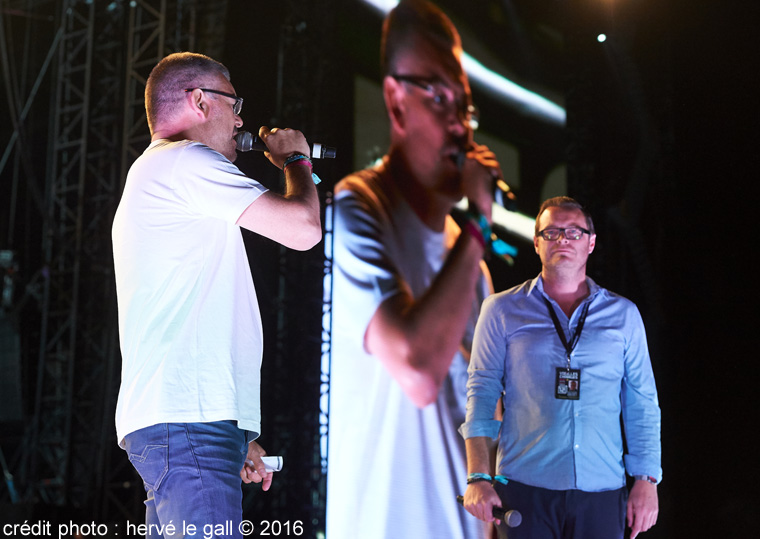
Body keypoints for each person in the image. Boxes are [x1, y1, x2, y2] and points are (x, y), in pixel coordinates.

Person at [112, 52, 321, 536]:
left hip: (188, 422)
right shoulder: (185, 162)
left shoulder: (162, 175)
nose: (242, 118)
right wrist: (296, 159)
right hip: (188, 424)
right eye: (235, 102)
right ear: (200, 100)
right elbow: (305, 229)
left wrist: (234, 437)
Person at [325, 1, 505, 537]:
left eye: (465, 106)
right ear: (395, 101)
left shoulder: (467, 262)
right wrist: (479, 227)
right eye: (438, 96)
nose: (459, 126)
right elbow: (418, 369)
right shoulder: (356, 210)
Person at [460, 196, 662, 539]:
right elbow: (481, 393)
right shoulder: (501, 310)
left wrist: (646, 480)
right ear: (537, 242)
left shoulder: (624, 315)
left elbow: (642, 403)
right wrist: (478, 476)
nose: (563, 240)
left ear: (591, 242)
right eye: (551, 233)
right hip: (524, 488)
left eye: (573, 232)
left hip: (602, 490)